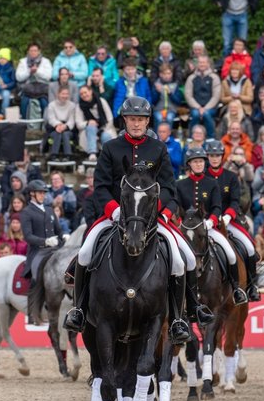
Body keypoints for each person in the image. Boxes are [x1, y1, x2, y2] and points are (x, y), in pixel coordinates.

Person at [64, 96, 207, 344]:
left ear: (147, 121)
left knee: (183, 259)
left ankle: (180, 317)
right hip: (116, 216)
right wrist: (115, 211)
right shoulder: (111, 148)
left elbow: (169, 189)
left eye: (141, 120)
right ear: (125, 120)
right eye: (132, 119)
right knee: (86, 252)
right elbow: (100, 188)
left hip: (151, 218)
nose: (137, 124)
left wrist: (161, 213)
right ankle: (79, 310)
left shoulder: (158, 148)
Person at [178, 146, 248, 305]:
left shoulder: (211, 183)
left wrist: (212, 220)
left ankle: (236, 289)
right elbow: (177, 205)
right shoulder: (180, 185)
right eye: (195, 162)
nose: (199, 164)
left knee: (230, 253)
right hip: (186, 230)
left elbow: (217, 206)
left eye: (201, 161)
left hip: (207, 227)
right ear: (189, 164)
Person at [204, 140, 259, 301]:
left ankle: (251, 286)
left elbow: (235, 201)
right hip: (206, 222)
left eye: (218, 156)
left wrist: (228, 215)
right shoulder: (204, 177)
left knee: (249, 248)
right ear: (208, 157)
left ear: (222, 157)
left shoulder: (231, 177)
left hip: (229, 220)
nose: (215, 159)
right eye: (212, 156)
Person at [20, 179, 63, 311]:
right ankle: (33, 308)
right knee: (36, 275)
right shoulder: (27, 212)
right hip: (37, 251)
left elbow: (58, 230)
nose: (43, 195)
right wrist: (44, 241)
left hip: (54, 249)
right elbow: (28, 236)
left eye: (44, 193)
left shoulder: (49, 210)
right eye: (40, 192)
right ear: (32, 193)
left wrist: (65, 236)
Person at [183, 55, 221, 138]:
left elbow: (216, 96)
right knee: (196, 114)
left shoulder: (214, 77)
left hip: (210, 108)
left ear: (208, 64)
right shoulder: (191, 78)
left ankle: (211, 138)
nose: (202, 64)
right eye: (200, 62)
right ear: (197, 64)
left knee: (206, 114)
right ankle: (191, 137)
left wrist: (205, 108)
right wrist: (198, 107)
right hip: (195, 107)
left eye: (204, 62)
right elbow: (188, 95)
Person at [45, 87, 76, 157]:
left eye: (67, 94)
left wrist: (65, 126)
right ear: (58, 94)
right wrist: (58, 125)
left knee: (65, 134)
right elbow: (51, 118)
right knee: (57, 133)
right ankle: (53, 155)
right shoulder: (51, 105)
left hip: (67, 128)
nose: (65, 96)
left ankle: (68, 155)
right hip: (54, 128)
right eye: (63, 94)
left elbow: (72, 120)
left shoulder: (72, 105)